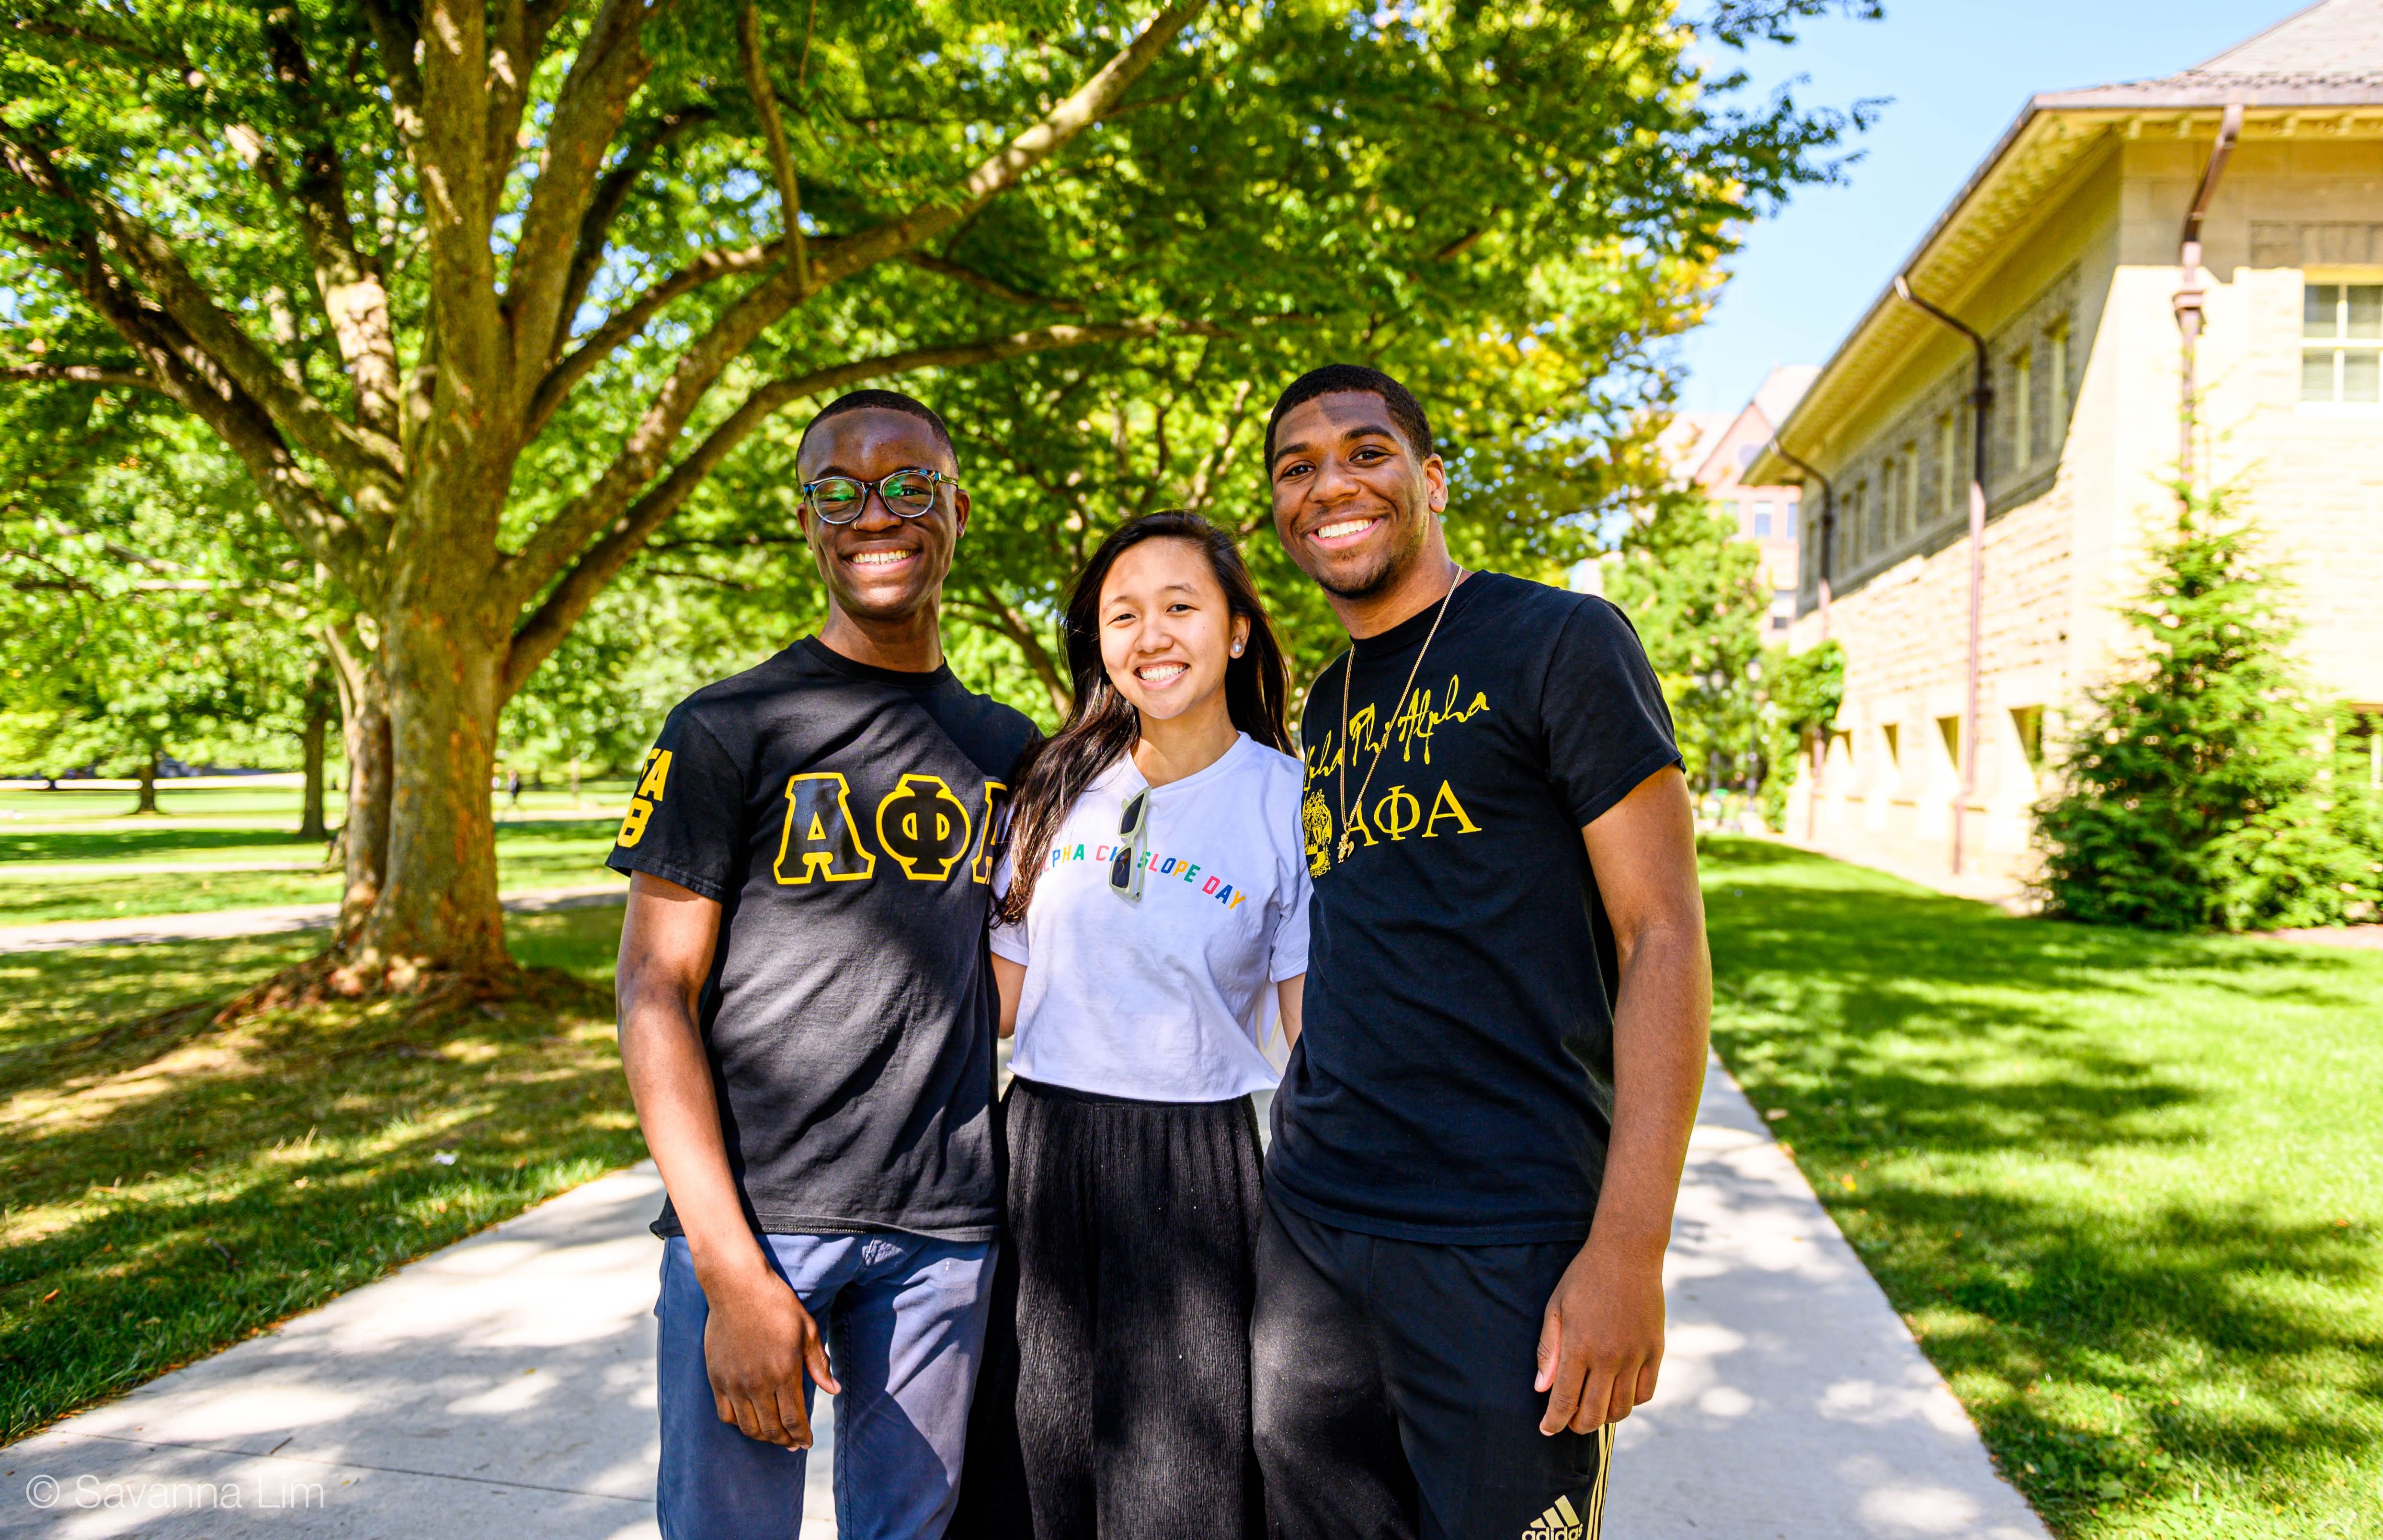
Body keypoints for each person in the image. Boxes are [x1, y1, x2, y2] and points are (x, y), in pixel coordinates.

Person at [1249, 364, 1712, 1540]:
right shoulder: (1328, 700)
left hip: (1507, 1235)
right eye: (1295, 468)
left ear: (1430, 480)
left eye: (1365, 451)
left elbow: (1661, 935)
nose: (1331, 484)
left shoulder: (1560, 640)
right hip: (1317, 1222)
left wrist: (1628, 1247)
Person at [609, 389, 1037, 1540]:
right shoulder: (726, 728)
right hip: (759, 1220)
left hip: (946, 1228)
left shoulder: (1014, 752)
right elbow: (654, 992)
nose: (874, 515)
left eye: (906, 486)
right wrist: (730, 1266)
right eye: (837, 492)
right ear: (807, 521)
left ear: (953, 506)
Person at [956, 509, 1309, 1540]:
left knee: (1177, 1496)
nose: (1151, 635)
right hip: (1042, 1153)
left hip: (1197, 1169)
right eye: (1123, 615)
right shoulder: (1053, 788)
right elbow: (998, 1001)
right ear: (1099, 643)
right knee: (1035, 1470)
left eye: (1180, 607)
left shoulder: (1287, 802)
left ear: (1237, 630)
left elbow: (1313, 1043)